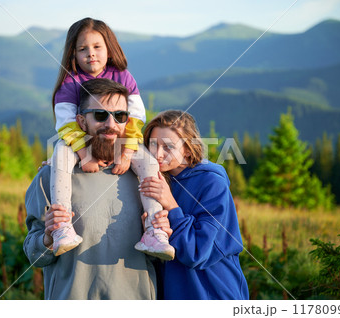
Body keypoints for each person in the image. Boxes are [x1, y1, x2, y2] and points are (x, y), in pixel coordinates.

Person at [24, 79, 172, 299]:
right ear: (81, 121)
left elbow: (161, 258)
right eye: (100, 115)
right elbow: (33, 255)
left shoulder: (148, 180)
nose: (111, 124)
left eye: (120, 116)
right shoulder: (51, 177)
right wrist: (47, 238)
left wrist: (167, 231)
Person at [50, 17, 174, 260]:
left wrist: (127, 153)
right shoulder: (70, 83)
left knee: (148, 163)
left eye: (97, 47)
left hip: (120, 141)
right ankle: (61, 226)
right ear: (72, 54)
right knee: (60, 154)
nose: (91, 54)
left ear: (109, 48)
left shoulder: (123, 76)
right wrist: (84, 154)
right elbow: (65, 124)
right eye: (82, 49)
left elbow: (136, 117)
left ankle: (154, 229)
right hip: (82, 142)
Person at [139, 110, 249, 300]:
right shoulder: (155, 180)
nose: (157, 154)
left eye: (168, 147)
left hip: (213, 292)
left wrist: (171, 206)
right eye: (153, 144)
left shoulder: (212, 183)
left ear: (188, 149)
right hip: (174, 293)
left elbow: (197, 252)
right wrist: (150, 229)